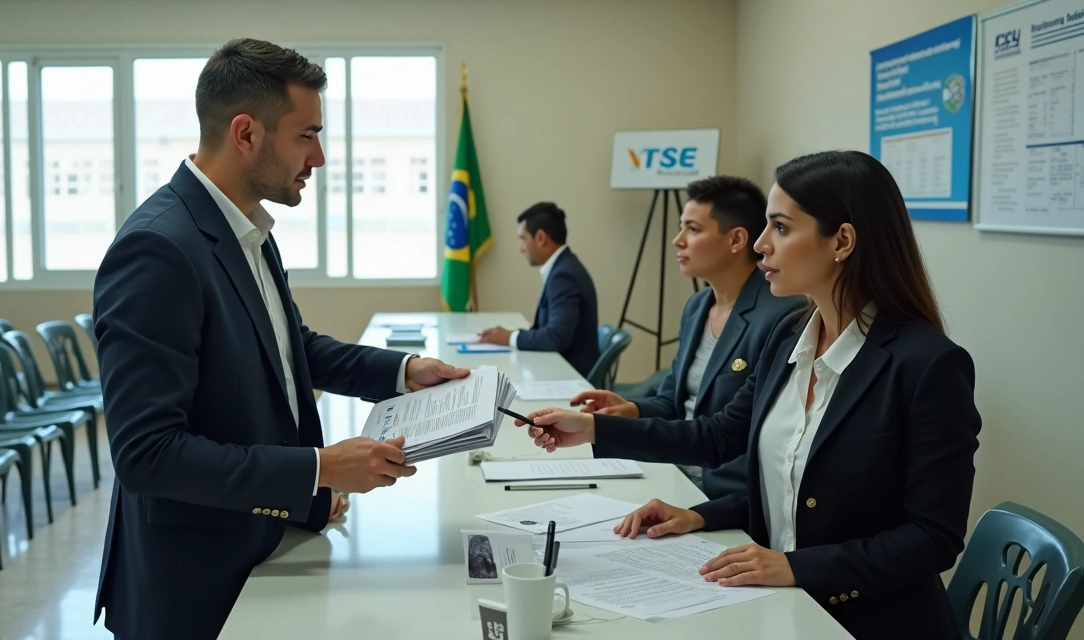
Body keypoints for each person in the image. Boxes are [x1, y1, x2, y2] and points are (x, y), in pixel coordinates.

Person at [90, 38, 470, 640]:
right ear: (246, 133)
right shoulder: (158, 249)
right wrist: (319, 469)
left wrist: (403, 372)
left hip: (257, 546)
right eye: (306, 135)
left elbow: (291, 349)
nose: (319, 156)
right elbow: (147, 455)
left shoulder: (247, 228)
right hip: (191, 586)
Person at [516, 150, 981, 640]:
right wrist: (598, 433)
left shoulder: (928, 365)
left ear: (842, 241)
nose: (760, 244)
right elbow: (727, 440)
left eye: (780, 227)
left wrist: (796, 567)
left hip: (867, 621)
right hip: (780, 605)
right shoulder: (789, 335)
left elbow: (932, 538)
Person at [570, 176, 803, 500]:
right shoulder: (697, 306)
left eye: (692, 229)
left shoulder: (781, 315)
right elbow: (672, 403)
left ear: (736, 239)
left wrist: (599, 429)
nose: (677, 240)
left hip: (723, 494)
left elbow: (736, 435)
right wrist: (631, 409)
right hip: (674, 471)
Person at [477, 202, 600, 375]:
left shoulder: (564, 275)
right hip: (561, 368)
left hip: (571, 375)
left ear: (541, 238)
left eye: (523, 239)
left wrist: (510, 337)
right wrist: (508, 334)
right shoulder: (564, 266)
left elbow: (556, 337)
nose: (521, 248)